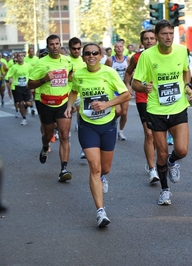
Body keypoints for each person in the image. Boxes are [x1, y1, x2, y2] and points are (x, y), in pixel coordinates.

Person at [64, 43, 131, 228]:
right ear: (83, 57)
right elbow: (74, 91)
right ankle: (100, 211)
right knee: (94, 167)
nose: (91, 56)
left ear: (100, 55)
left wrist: (107, 104)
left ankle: (102, 178)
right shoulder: (78, 74)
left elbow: (126, 95)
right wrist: (69, 106)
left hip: (108, 124)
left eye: (95, 53)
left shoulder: (109, 72)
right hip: (87, 125)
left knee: (105, 168)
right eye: (87, 53)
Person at [132, 20, 192, 205]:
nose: (168, 37)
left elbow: (185, 71)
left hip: (178, 106)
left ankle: (173, 162)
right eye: (164, 34)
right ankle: (165, 190)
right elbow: (134, 83)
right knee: (161, 153)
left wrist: (187, 86)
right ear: (157, 36)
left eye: (171, 34)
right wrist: (144, 86)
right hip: (156, 109)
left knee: (181, 150)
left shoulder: (182, 51)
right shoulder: (147, 56)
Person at [28, 34, 74, 182]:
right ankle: (44, 146)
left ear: (60, 45)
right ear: (48, 47)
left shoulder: (67, 61)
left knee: (64, 135)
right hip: (46, 103)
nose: (55, 46)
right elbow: (30, 84)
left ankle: (64, 169)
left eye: (57, 44)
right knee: (48, 135)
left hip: (63, 103)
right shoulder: (41, 63)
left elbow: (71, 75)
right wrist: (43, 79)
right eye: (52, 44)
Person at [124, 29, 159, 183]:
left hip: (160, 98)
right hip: (142, 97)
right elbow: (128, 72)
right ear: (142, 42)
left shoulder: (164, 55)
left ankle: (151, 159)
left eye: (152, 38)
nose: (149, 41)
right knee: (149, 134)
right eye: (146, 39)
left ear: (156, 40)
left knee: (158, 136)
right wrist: (127, 85)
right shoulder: (136, 57)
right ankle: (152, 169)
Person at [8, 51, 33, 126]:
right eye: (19, 56)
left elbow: (32, 75)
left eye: (22, 56)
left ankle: (25, 107)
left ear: (24, 57)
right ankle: (24, 118)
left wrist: (32, 85)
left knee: (29, 103)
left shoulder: (28, 66)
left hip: (26, 87)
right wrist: (10, 79)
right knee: (21, 103)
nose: (20, 57)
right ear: (17, 58)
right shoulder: (14, 67)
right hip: (17, 87)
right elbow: (9, 75)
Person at [112, 41, 130, 141]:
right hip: (114, 89)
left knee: (124, 112)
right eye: (117, 47)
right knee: (117, 111)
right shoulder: (111, 60)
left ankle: (121, 131)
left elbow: (131, 72)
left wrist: (128, 84)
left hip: (124, 89)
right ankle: (113, 122)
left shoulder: (127, 60)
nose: (119, 48)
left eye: (120, 47)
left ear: (123, 49)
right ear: (114, 49)